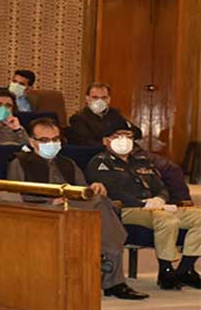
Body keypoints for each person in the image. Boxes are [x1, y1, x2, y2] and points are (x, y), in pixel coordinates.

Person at [7, 118, 148, 299]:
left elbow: (83, 191)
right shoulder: (19, 163)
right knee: (102, 209)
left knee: (100, 200)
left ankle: (112, 271)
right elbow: (16, 197)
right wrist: (50, 202)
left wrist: (94, 187)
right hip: (43, 210)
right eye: (44, 140)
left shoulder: (67, 163)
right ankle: (112, 277)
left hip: (72, 207)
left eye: (55, 139)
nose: (51, 144)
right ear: (32, 142)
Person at [85, 121, 201, 290]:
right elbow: (113, 192)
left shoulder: (142, 161)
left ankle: (185, 270)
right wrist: (143, 204)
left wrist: (160, 199)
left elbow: (161, 186)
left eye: (128, 136)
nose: (124, 140)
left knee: (198, 217)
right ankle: (166, 270)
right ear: (105, 141)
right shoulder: (99, 163)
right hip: (127, 209)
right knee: (166, 219)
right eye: (118, 136)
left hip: (155, 207)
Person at [68, 82, 191, 204]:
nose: (99, 101)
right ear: (87, 98)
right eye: (95, 97)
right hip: (107, 153)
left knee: (170, 168)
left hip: (132, 151)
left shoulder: (114, 114)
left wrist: (128, 133)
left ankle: (181, 201)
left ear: (109, 99)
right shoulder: (79, 118)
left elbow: (137, 132)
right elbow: (82, 141)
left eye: (104, 98)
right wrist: (105, 141)